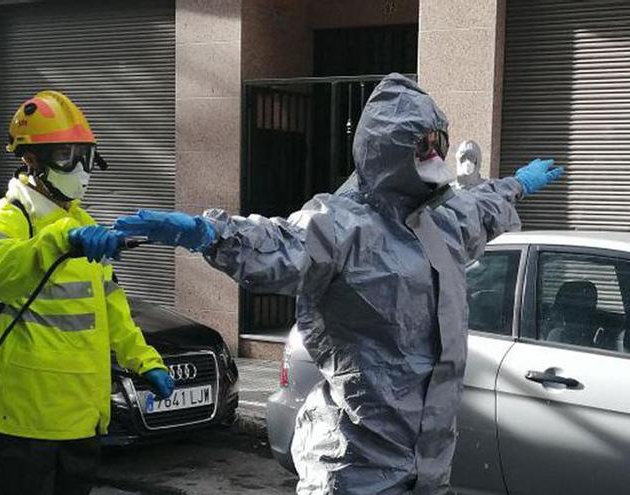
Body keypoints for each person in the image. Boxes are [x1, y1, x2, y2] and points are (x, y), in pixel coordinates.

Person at [115, 74, 563, 494]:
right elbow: (279, 243)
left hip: (426, 467)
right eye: (420, 143)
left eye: (437, 142)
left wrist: (517, 184)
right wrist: (209, 233)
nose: (432, 154)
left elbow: (479, 208)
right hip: (352, 467)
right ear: (386, 149)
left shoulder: (439, 223)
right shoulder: (342, 225)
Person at [0, 90, 175, 495]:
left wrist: (145, 360)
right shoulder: (7, 217)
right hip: (17, 425)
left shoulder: (83, 223)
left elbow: (110, 305)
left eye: (85, 155)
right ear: (31, 161)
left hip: (78, 422)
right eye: (65, 155)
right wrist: (60, 240)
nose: (79, 167)